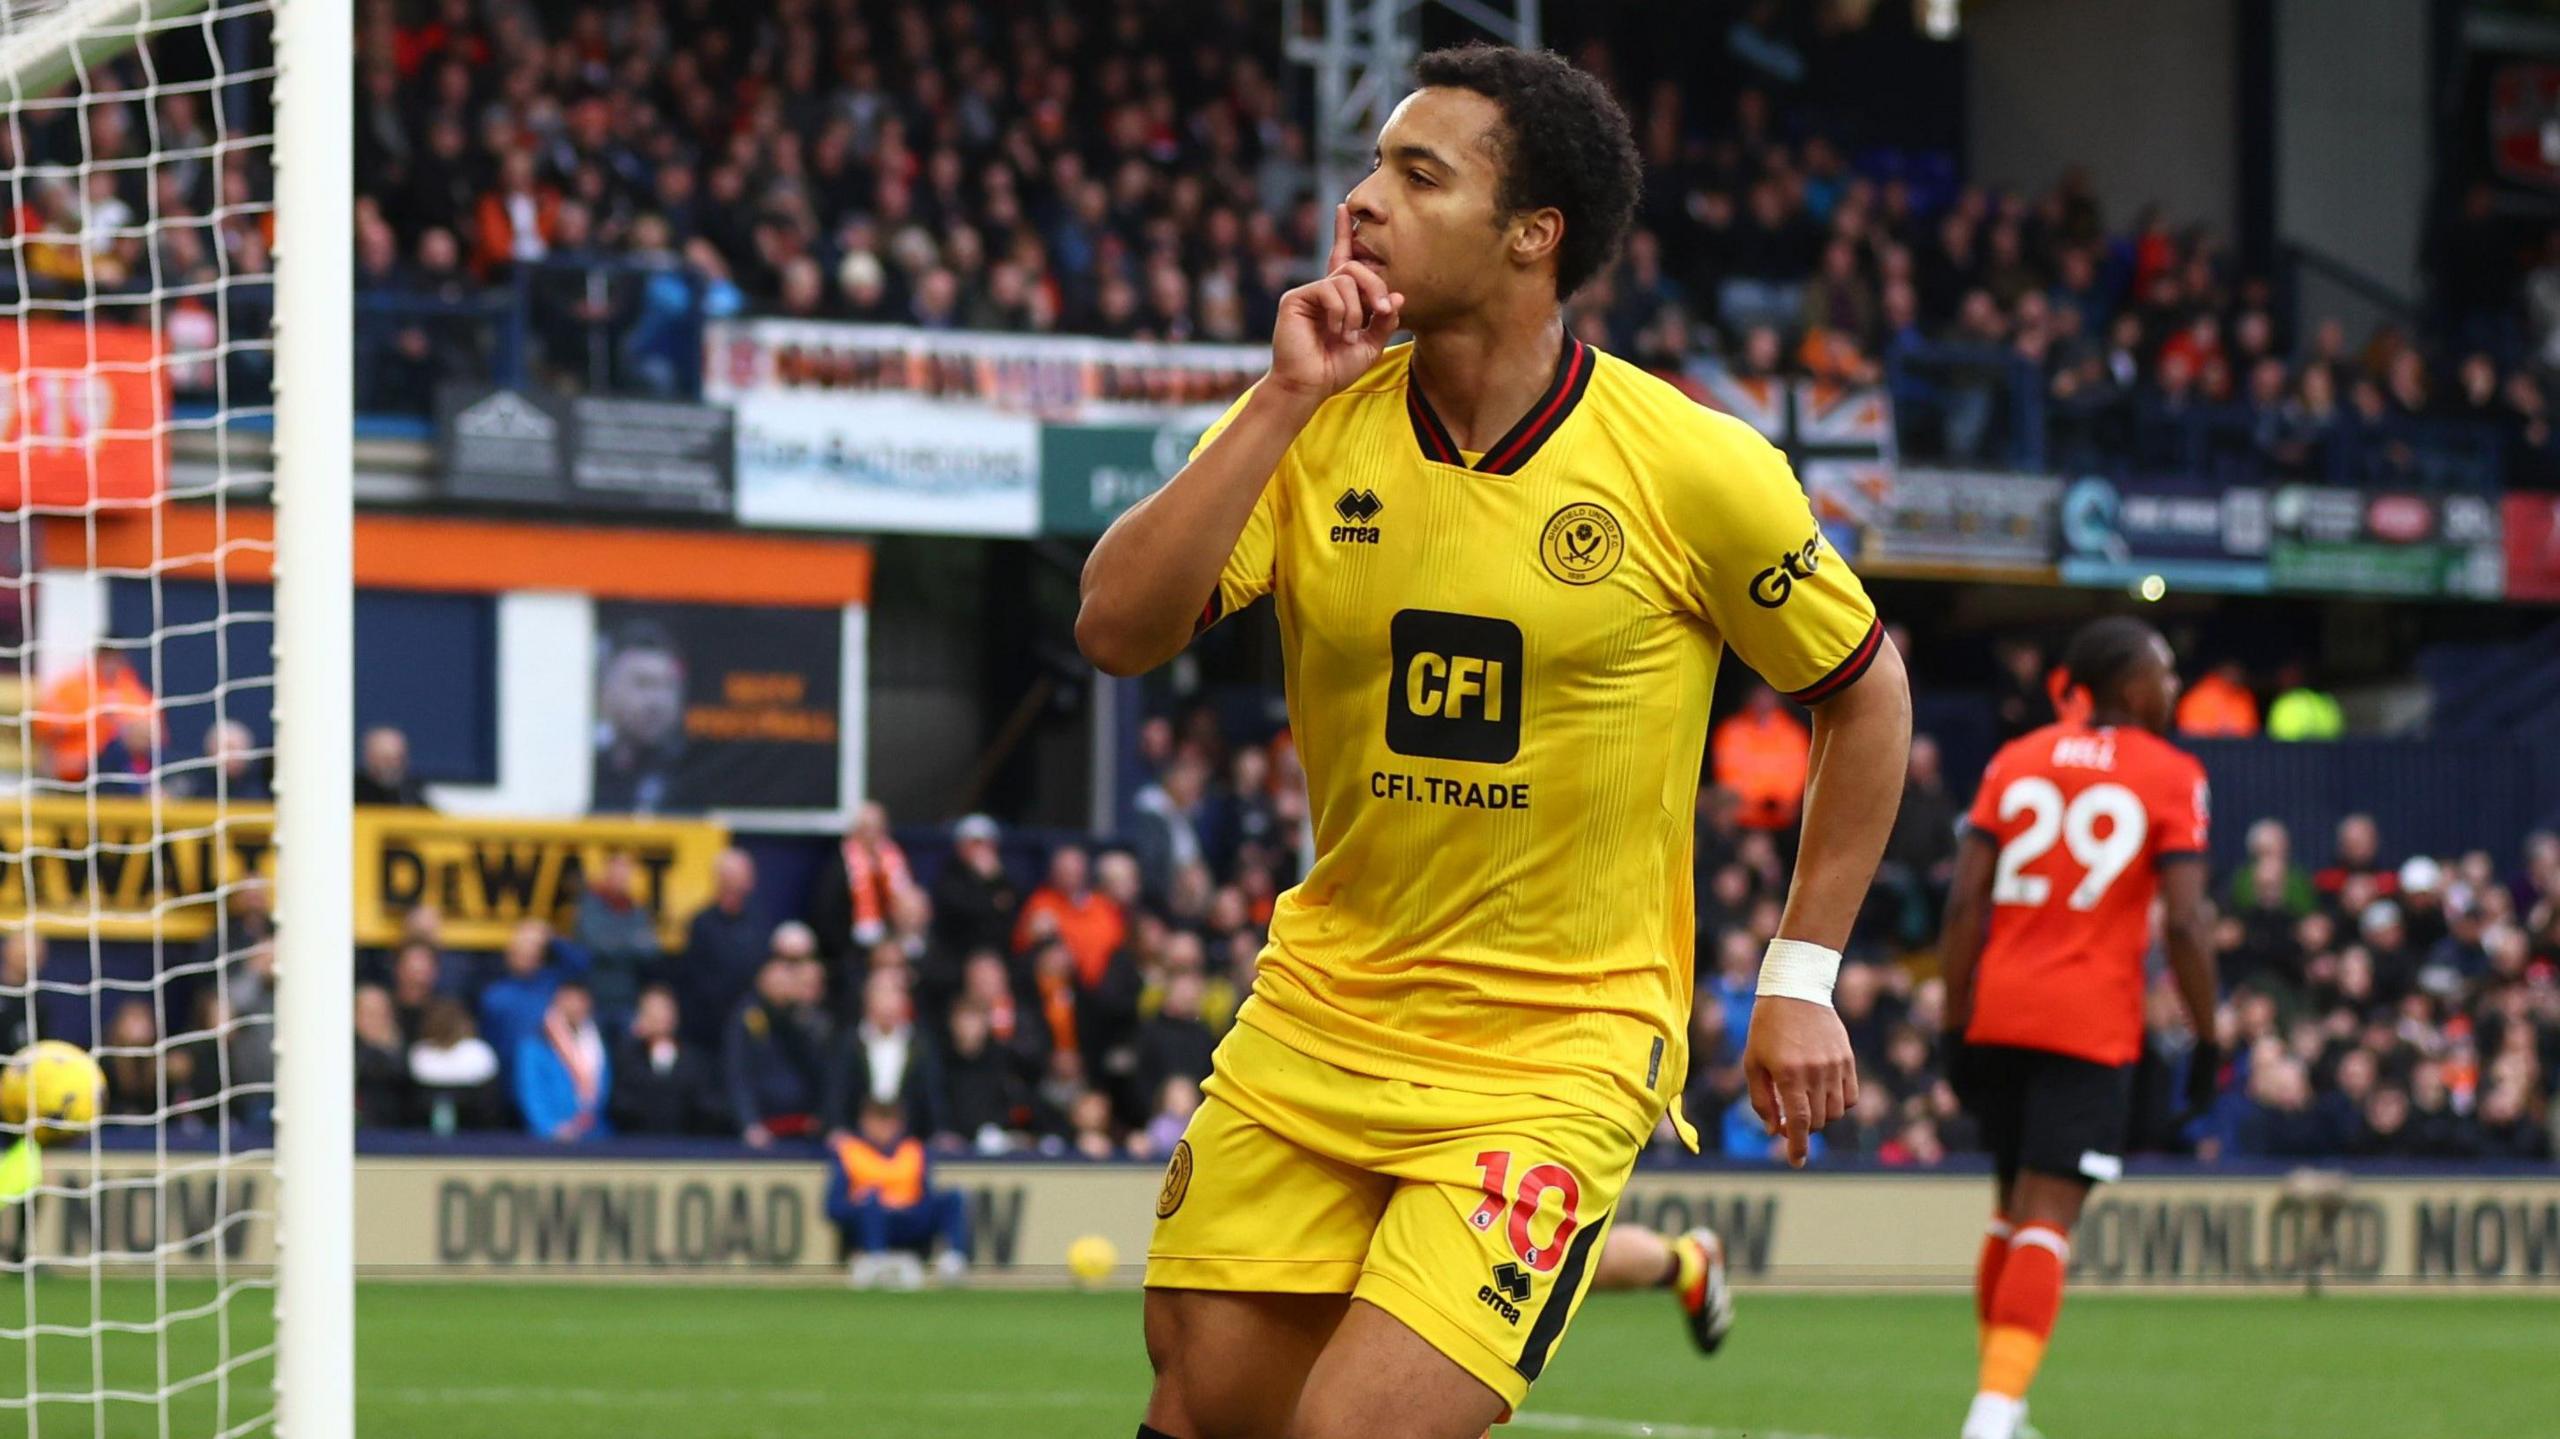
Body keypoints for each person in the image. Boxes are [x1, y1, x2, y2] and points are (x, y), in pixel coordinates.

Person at [1073, 45, 1907, 1439]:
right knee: (1209, 1400)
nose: (1361, 200)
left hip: (1556, 1040)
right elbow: (1114, 626)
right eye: (1371, 165)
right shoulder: (1314, 420)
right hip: (1323, 1005)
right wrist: (1277, 402)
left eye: (1416, 173)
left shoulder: (1689, 464)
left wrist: (1802, 975)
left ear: (1533, 236)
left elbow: (1866, 693)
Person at [1936, 616, 2219, 1439]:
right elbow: (2188, 923)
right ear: (2130, 686)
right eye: (2165, 672)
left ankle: (2006, 1403)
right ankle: (1991, 1415)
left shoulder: (2014, 758)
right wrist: (2209, 1034)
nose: (2173, 687)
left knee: (2009, 1208)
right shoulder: (2171, 773)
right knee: (2049, 1218)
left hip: (1999, 1007)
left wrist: (1957, 1014)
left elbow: (1963, 902)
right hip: (2089, 1019)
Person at [826, 1099, 970, 1290]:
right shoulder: (849, 1152)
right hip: (870, 1222)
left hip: (910, 1218)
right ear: (864, 1122)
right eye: (878, 1121)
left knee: (953, 1197)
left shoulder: (913, 1151)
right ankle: (876, 1261)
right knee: (871, 1202)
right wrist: (861, 1203)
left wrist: (904, 1206)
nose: (884, 1128)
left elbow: (925, 1196)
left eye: (889, 1121)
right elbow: (832, 1207)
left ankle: (954, 1260)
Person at [725, 956, 833, 1147]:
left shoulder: (804, 1018)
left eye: (786, 980)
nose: (782, 986)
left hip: (805, 1125)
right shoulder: (748, 1016)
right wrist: (749, 1122)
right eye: (776, 981)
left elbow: (822, 1070)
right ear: (761, 981)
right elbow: (738, 1074)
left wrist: (823, 1116)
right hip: (764, 1127)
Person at [590, 620, 691, 814]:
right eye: (643, 684)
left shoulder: (690, 771)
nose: (657, 701)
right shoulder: (581, 767)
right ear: (606, 691)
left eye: (668, 686)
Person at [609, 984, 730, 1136]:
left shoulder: (695, 1061)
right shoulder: (626, 1058)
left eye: (664, 1010)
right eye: (652, 1011)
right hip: (637, 1147)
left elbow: (709, 1107)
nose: (659, 1017)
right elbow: (620, 1105)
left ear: (675, 1016)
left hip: (686, 1148)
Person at [678, 849, 768, 1050]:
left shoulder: (757, 921)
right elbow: (696, 979)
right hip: (710, 1029)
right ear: (722, 879)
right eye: (743, 875)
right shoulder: (701, 924)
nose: (750, 881)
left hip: (750, 1022)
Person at [809, 801, 914, 966]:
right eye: (866, 828)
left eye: (877, 828)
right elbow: (829, 913)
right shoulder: (840, 867)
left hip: (891, 945)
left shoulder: (895, 860)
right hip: (851, 949)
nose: (872, 834)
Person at [515, 980, 611, 1142]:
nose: (575, 1007)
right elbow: (531, 1093)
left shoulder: (597, 1043)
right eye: (569, 1000)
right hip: (547, 1139)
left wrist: (585, 1123)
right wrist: (550, 1128)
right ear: (557, 1002)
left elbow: (604, 1087)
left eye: (580, 1000)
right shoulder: (536, 1045)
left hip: (593, 1135)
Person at [932, 814, 1020, 959]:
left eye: (987, 844)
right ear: (960, 846)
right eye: (975, 843)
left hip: (999, 955)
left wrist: (994, 880)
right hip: (957, 956)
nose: (981, 850)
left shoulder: (1005, 876)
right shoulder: (948, 876)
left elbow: (1015, 903)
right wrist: (992, 901)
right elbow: (960, 909)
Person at [353, 725, 429, 807]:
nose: (392, 765)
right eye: (385, 759)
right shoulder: (351, 791)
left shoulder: (415, 793)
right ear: (369, 757)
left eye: (397, 758)